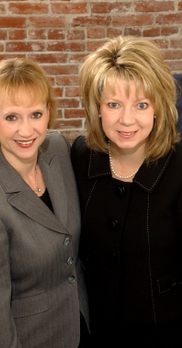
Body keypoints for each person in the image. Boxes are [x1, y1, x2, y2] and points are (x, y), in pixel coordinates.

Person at [0, 57, 89, 348]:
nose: (27, 131)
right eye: (12, 117)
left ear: (48, 112)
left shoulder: (58, 152)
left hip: (81, 326)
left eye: (35, 114)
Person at [71, 36, 182, 348]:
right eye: (114, 104)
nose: (127, 120)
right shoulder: (80, 157)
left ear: (159, 107)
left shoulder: (178, 166)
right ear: (97, 109)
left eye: (141, 105)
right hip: (98, 332)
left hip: (169, 332)